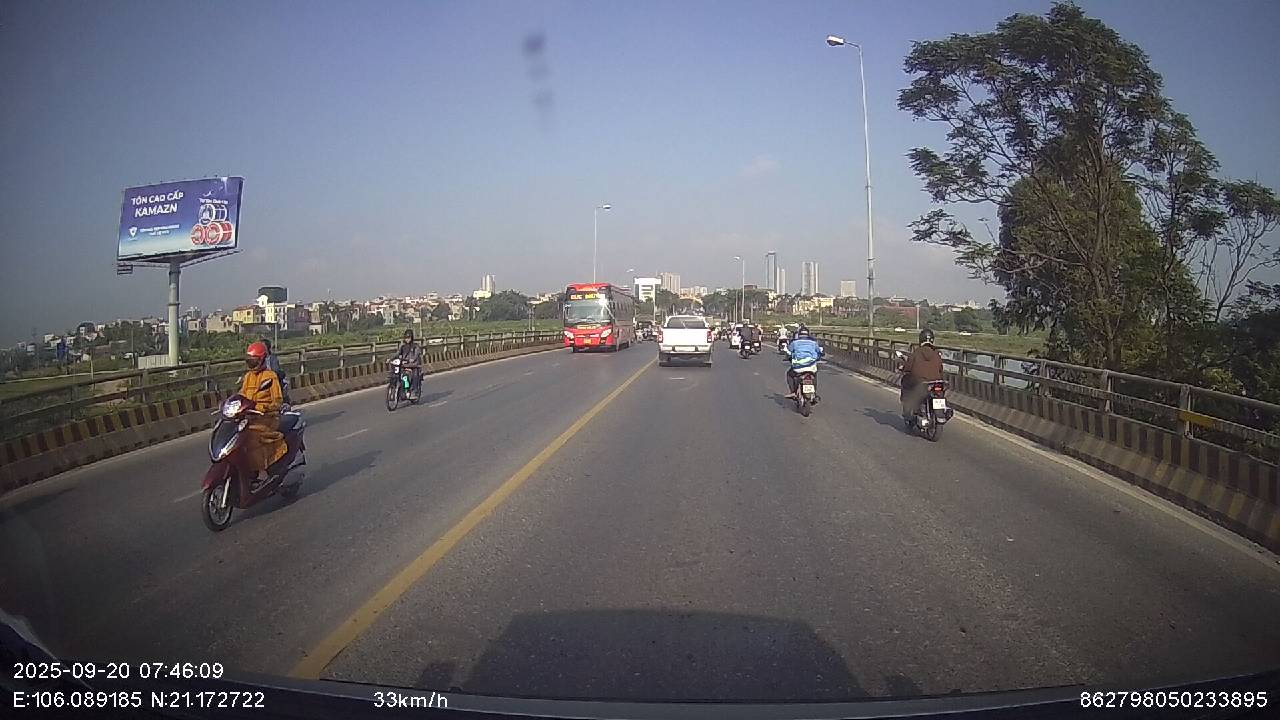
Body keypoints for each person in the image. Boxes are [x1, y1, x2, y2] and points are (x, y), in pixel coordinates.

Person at [239, 341, 287, 484]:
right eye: (249, 360)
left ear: (262, 360)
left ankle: (262, 470)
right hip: (250, 416)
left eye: (254, 360)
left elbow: (278, 400)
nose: (251, 363)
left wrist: (264, 407)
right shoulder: (248, 377)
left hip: (268, 417)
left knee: (252, 437)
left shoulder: (270, 376)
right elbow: (241, 395)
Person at [899, 329, 945, 420]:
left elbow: (908, 367)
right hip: (935, 382)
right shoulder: (936, 354)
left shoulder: (916, 352)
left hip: (920, 382)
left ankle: (908, 409)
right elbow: (940, 369)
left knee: (906, 381)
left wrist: (903, 368)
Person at [784, 325, 824, 399]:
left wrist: (788, 358)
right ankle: (814, 393)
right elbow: (819, 352)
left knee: (789, 374)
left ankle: (793, 392)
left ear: (799, 334)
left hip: (798, 367)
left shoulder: (794, 343)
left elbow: (789, 352)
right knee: (814, 376)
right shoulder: (813, 343)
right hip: (811, 367)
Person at [395, 329, 424, 398]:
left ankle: (414, 391)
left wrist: (412, 360)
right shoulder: (403, 347)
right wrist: (391, 359)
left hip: (414, 365)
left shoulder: (415, 346)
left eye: (409, 338)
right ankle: (403, 390)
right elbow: (397, 353)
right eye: (406, 338)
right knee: (401, 376)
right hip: (404, 365)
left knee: (415, 376)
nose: (407, 339)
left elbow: (417, 354)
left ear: (411, 338)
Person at [261, 337, 290, 405]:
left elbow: (275, 369)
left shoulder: (272, 358)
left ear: (267, 348)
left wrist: (270, 374)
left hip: (272, 380)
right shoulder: (258, 359)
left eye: (263, 347)